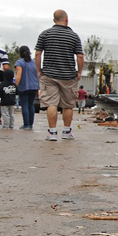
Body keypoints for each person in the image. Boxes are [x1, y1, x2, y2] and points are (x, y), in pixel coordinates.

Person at [35, 10, 84, 141]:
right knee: (68, 105)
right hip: (68, 76)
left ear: (54, 20)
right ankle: (67, 132)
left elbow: (38, 53)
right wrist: (79, 72)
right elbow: (80, 56)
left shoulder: (45, 34)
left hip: (49, 74)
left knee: (51, 103)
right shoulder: (74, 36)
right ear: (66, 19)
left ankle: (52, 133)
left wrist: (39, 70)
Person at [14, 46, 40, 129]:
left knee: (24, 105)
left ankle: (26, 124)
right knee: (31, 105)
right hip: (34, 87)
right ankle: (30, 124)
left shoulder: (19, 62)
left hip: (24, 86)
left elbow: (19, 75)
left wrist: (15, 85)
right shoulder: (34, 62)